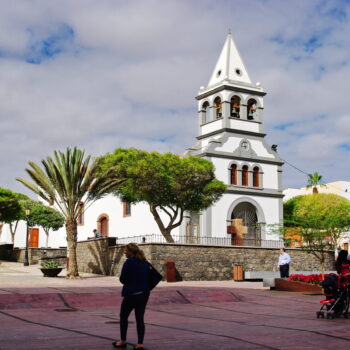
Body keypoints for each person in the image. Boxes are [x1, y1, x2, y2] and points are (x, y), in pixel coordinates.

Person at [113, 243, 150, 350]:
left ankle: (123, 341)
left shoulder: (129, 262)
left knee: (123, 317)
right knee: (140, 319)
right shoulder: (144, 262)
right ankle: (139, 344)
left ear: (131, 251)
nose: (124, 252)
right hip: (144, 294)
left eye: (126, 250)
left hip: (131, 294)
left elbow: (122, 280)